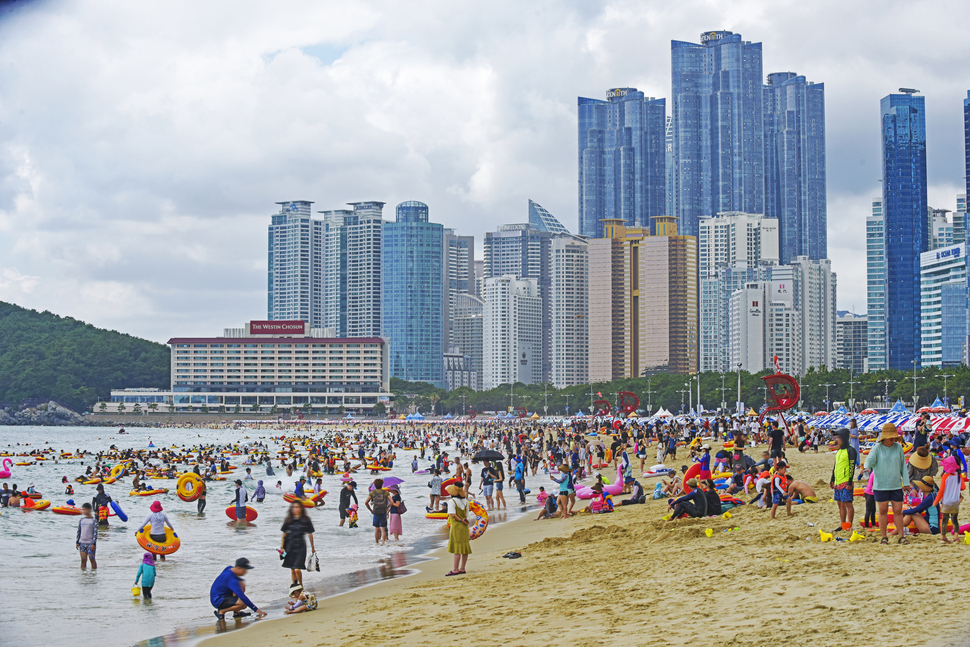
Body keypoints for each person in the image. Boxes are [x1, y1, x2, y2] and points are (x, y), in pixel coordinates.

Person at [864, 423, 909, 544]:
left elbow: (903, 466)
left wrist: (906, 482)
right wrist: (866, 468)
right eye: (890, 436)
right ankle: (884, 537)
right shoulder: (877, 447)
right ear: (884, 436)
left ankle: (901, 536)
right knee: (883, 511)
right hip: (881, 485)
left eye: (894, 436)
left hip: (896, 485)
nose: (892, 438)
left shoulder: (898, 447)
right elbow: (869, 460)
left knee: (898, 511)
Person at [280, 499, 315, 586]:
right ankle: (294, 587)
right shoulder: (288, 519)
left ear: (301, 508)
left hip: (301, 546)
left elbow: (310, 533)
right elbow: (284, 534)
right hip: (289, 545)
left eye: (298, 507)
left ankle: (301, 586)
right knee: (292, 569)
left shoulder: (306, 520)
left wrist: (313, 547)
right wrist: (282, 547)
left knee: (297, 569)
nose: (296, 509)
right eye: (294, 507)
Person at [830, 428, 857, 532]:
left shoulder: (850, 450)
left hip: (846, 481)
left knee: (847, 503)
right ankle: (842, 524)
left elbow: (852, 467)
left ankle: (849, 525)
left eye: (839, 437)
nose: (837, 439)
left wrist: (850, 481)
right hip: (838, 481)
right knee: (840, 504)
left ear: (844, 438)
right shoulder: (839, 450)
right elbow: (835, 465)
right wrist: (832, 479)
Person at [933, 455, 963, 543]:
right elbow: (963, 487)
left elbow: (941, 491)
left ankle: (943, 537)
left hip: (946, 501)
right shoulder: (959, 476)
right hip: (955, 501)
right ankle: (956, 537)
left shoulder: (945, 477)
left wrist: (935, 502)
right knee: (955, 519)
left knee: (945, 520)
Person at [445, 482, 471, 575]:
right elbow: (467, 515)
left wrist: (460, 520)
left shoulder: (452, 501)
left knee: (457, 549)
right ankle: (462, 568)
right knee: (464, 548)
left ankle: (455, 569)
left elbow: (453, 514)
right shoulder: (465, 501)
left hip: (456, 526)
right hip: (464, 526)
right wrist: (463, 520)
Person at [365, 478, 390, 546]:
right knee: (383, 528)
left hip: (376, 512)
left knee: (376, 528)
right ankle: (383, 542)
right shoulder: (385, 492)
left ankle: (376, 543)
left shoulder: (372, 492)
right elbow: (392, 502)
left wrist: (370, 510)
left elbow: (366, 502)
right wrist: (387, 508)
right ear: (382, 484)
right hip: (383, 512)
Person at [76, 502, 97, 569]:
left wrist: (93, 543)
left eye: (85, 509)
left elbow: (95, 533)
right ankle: (83, 575)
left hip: (90, 543)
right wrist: (77, 542)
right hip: (82, 543)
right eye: (83, 509)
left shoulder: (93, 520)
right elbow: (79, 531)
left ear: (89, 510)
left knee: (92, 559)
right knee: (83, 560)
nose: (83, 511)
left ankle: (93, 573)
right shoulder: (82, 520)